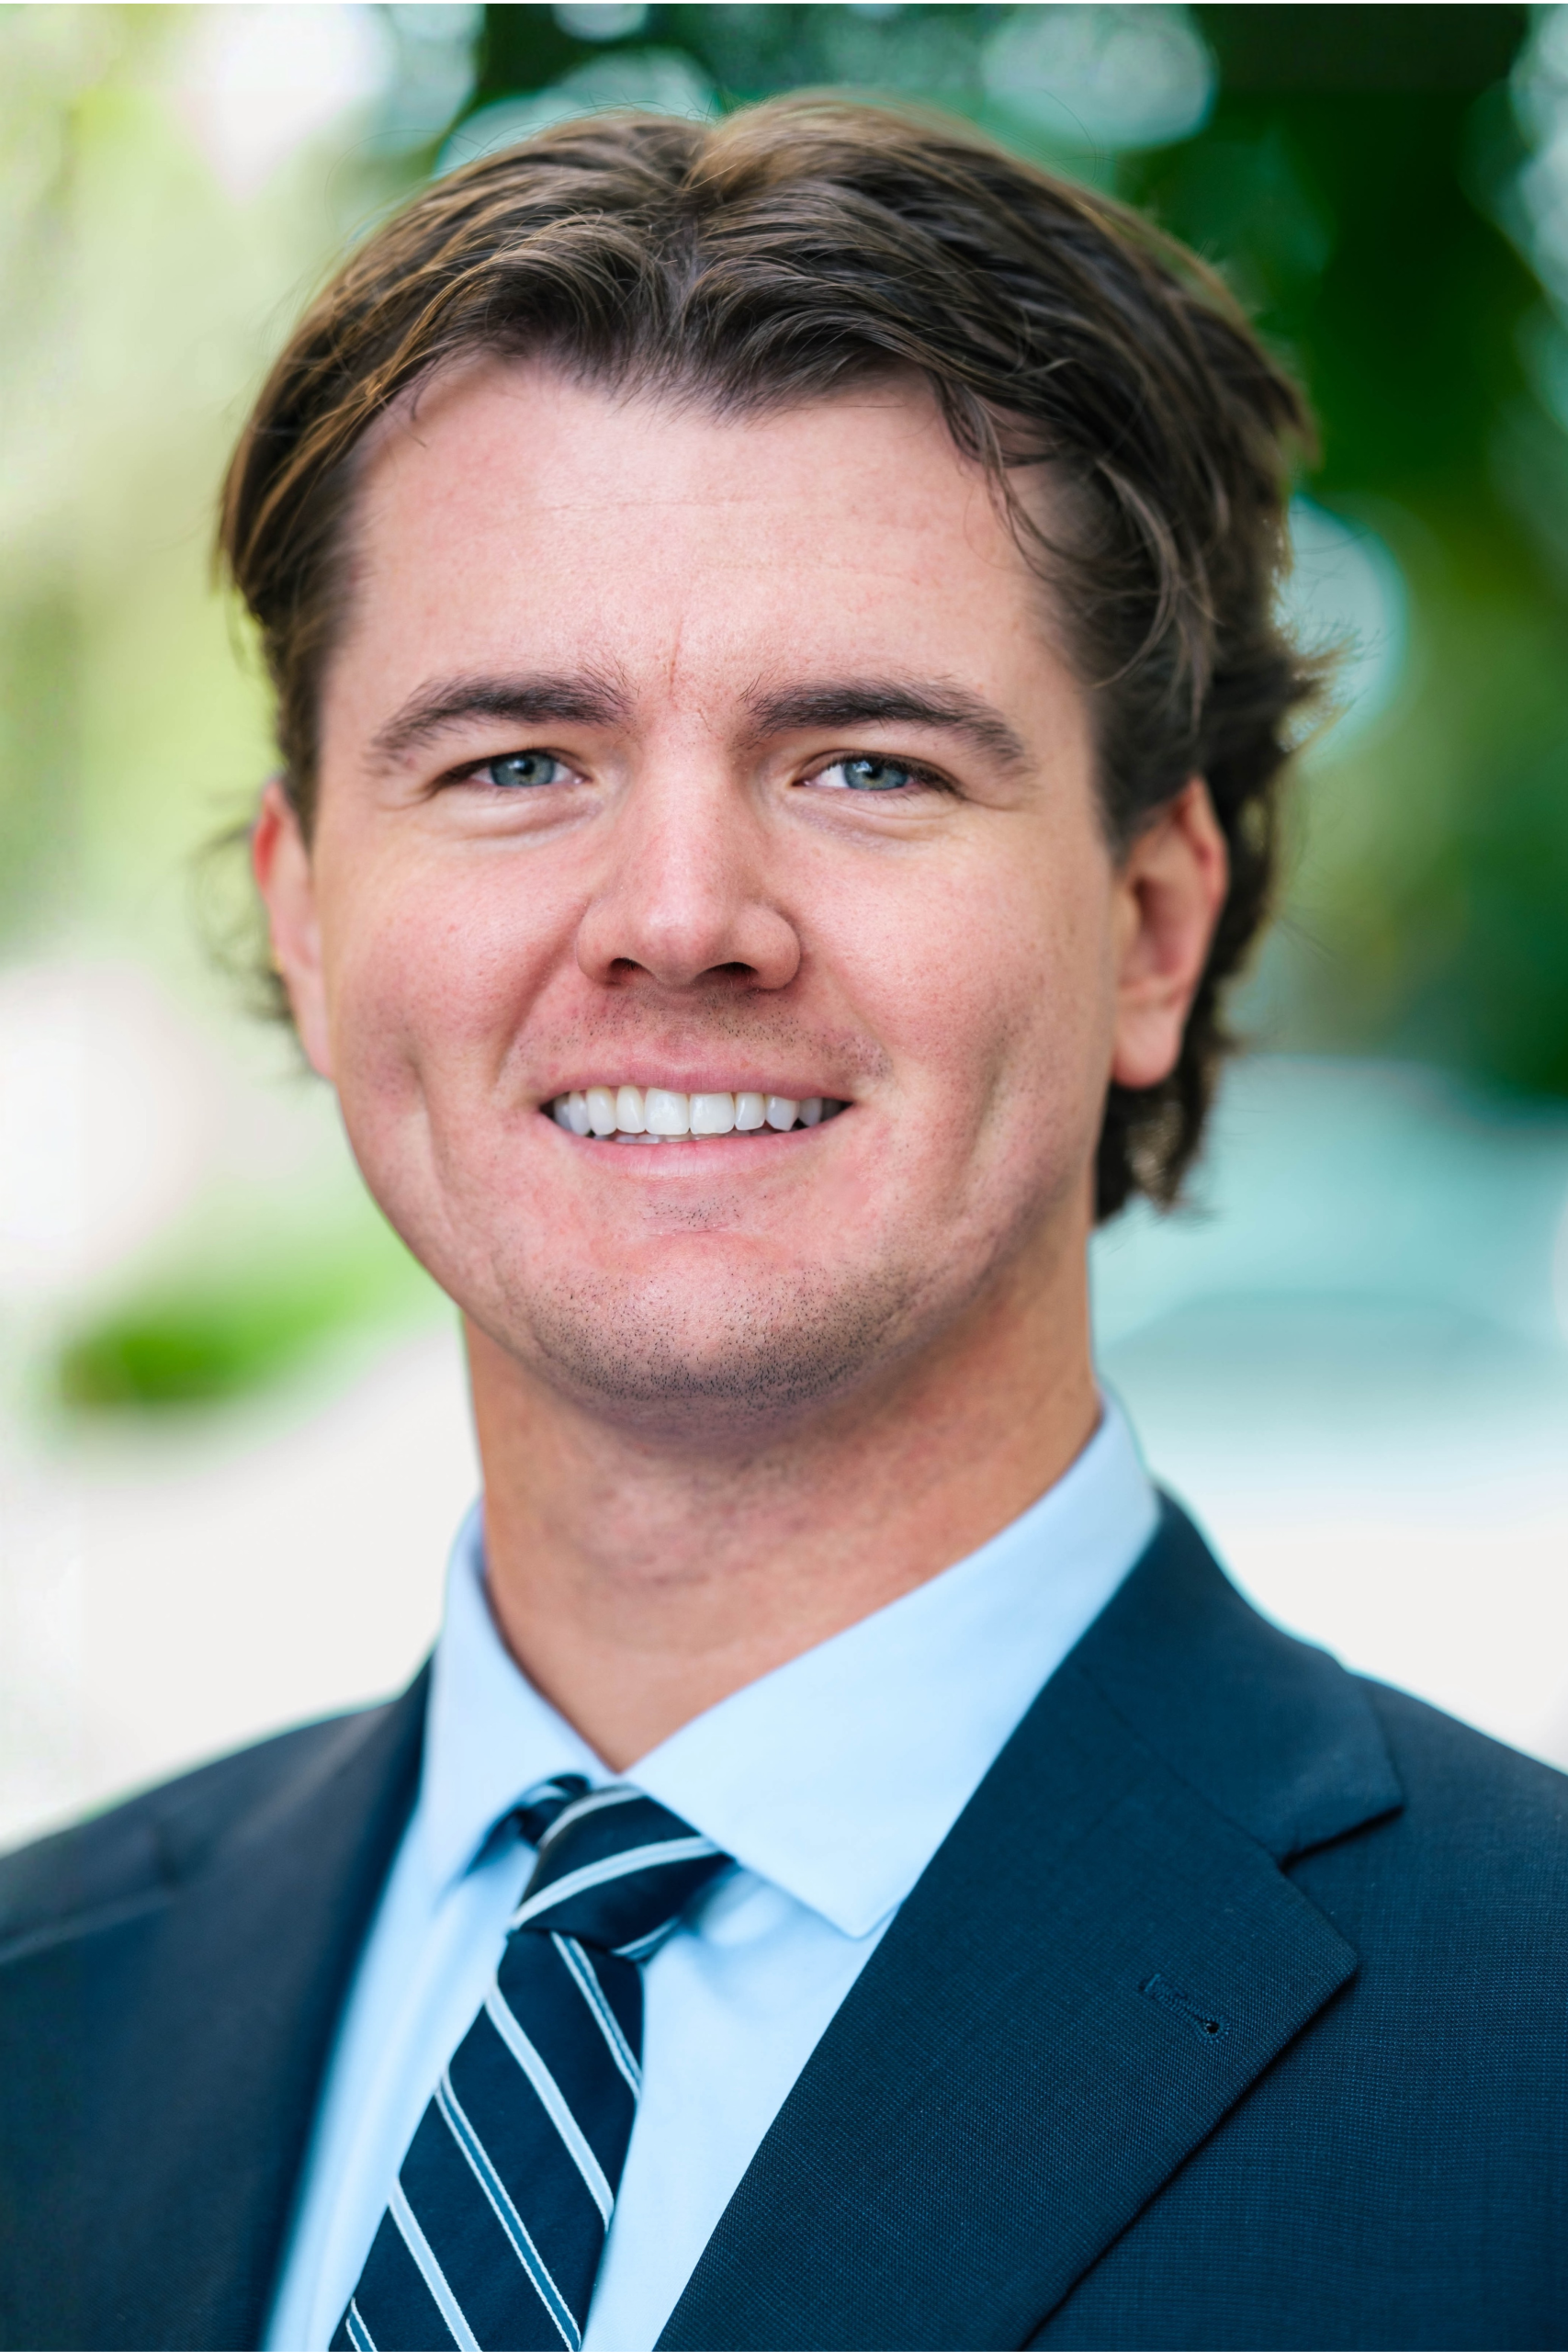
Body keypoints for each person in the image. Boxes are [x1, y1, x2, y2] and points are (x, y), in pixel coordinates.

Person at [2, 97, 1563, 2352]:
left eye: (865, 763)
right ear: (309, 917)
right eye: (515, 760)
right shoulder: (41, 2013)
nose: (677, 913)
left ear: (1150, 921)